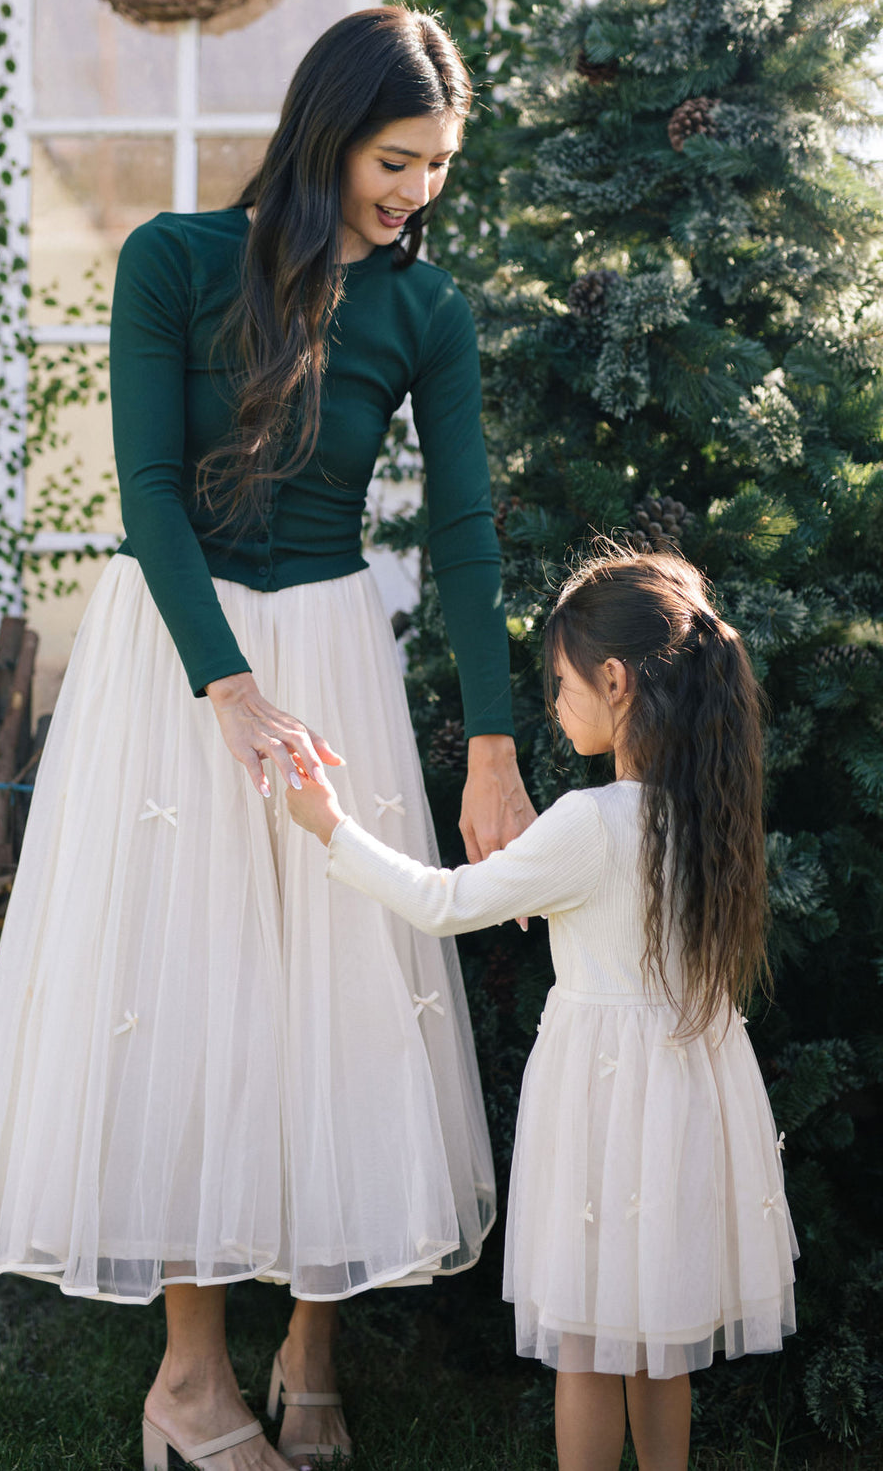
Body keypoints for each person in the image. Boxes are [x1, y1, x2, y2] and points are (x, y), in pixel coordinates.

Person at [0, 5, 536, 1471]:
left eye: (440, 167)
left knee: (339, 983)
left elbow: (462, 533)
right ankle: (191, 1382)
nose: (418, 191)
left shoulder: (429, 311)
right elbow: (144, 491)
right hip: (180, 663)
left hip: (333, 643)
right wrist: (226, 688)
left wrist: (494, 745)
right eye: (400, 159)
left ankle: (314, 1343)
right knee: (193, 982)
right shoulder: (172, 262)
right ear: (329, 133)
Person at [286, 546, 797, 1471]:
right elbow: (616, 905)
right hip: (681, 1099)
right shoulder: (710, 815)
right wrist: (543, 883)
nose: (555, 704)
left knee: (589, 1343)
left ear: (615, 679)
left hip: (603, 1101)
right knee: (658, 1336)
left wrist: (331, 825)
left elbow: (443, 902)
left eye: (561, 683)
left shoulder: (589, 822)